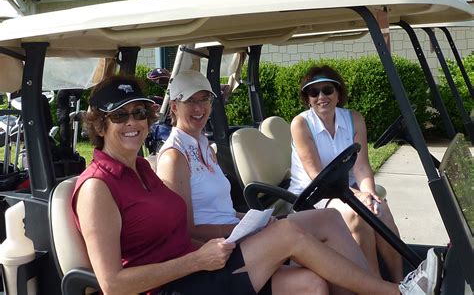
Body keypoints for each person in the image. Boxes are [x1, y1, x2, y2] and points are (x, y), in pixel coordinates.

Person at [73, 74, 441, 295]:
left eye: (140, 113)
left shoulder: (142, 169)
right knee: (286, 234)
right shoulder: (98, 188)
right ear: (99, 125)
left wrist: (239, 225)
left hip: (201, 269)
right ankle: (395, 292)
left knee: (315, 267)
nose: (133, 122)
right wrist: (197, 259)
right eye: (120, 116)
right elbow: (113, 285)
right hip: (177, 285)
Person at [289, 65, 403, 281]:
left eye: (327, 90)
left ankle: (401, 282)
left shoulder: (354, 119)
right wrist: (357, 197)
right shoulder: (301, 124)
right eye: (313, 92)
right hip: (313, 196)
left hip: (347, 191)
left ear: (338, 93)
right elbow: (317, 176)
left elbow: (361, 166)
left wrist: (368, 194)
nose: (321, 96)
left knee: (380, 209)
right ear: (307, 98)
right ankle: (375, 284)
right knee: (356, 214)